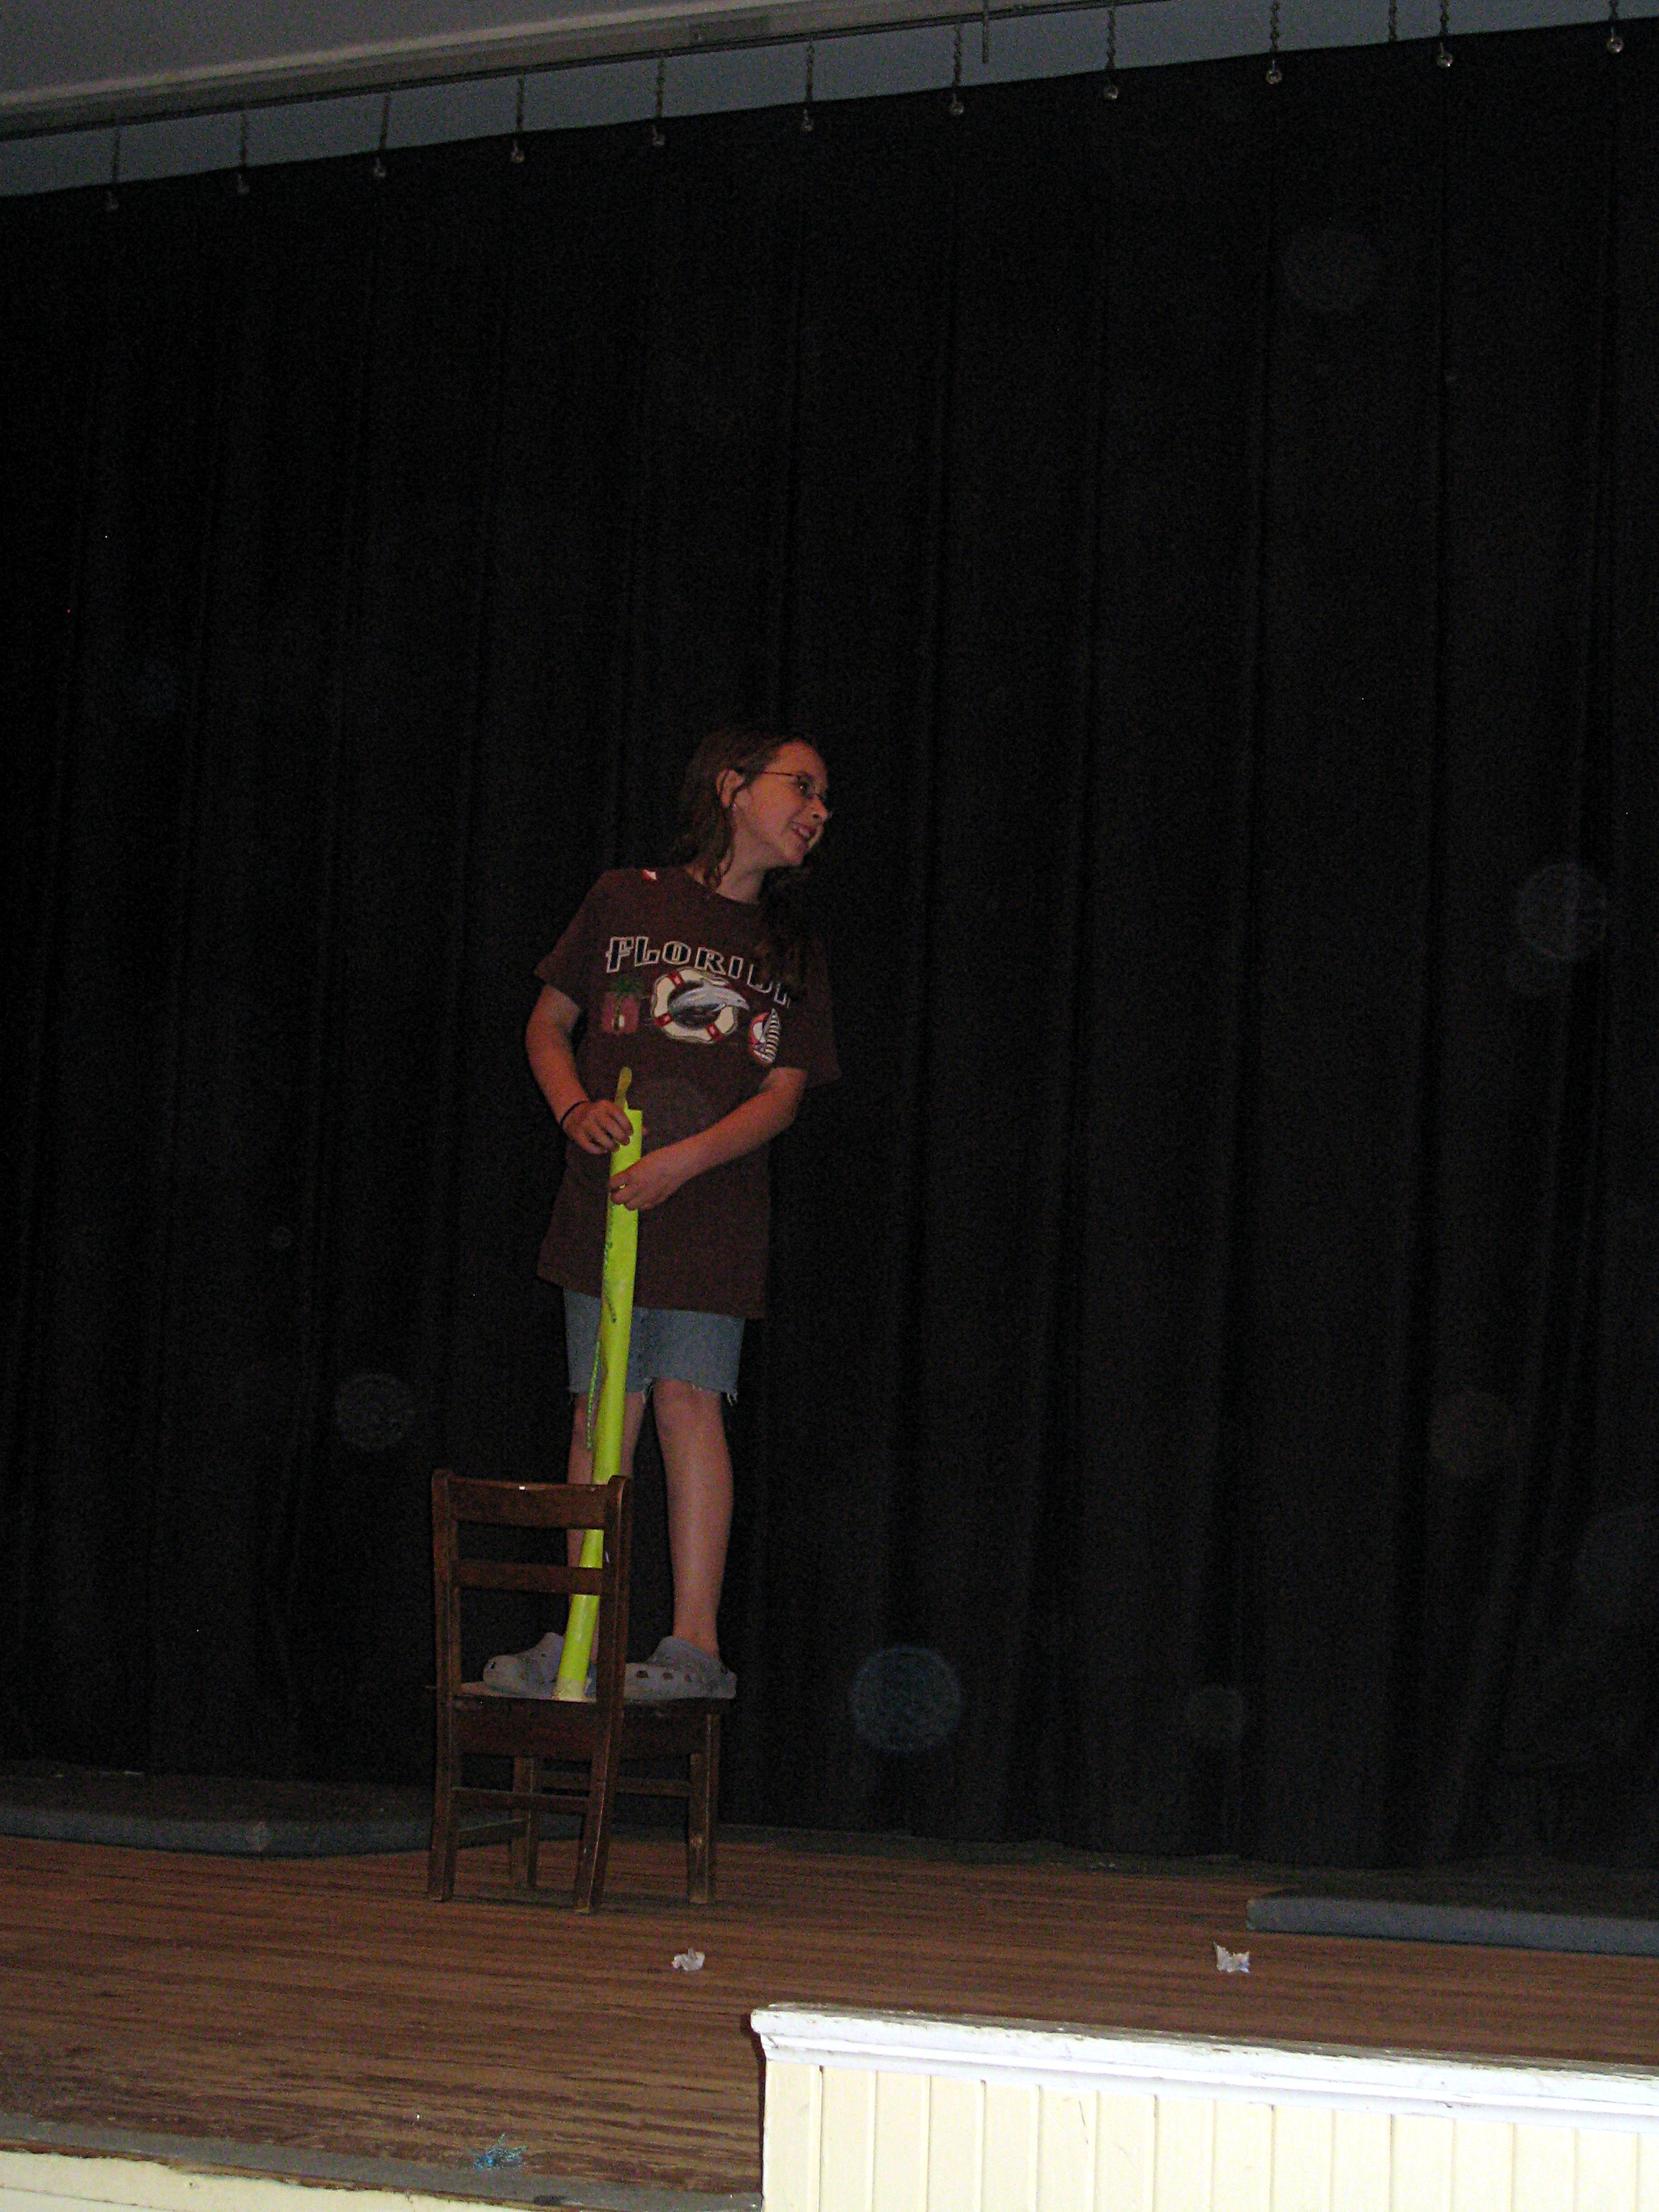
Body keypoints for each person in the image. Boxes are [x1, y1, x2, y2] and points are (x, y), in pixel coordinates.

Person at [485, 729, 838, 1701]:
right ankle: (581, 1632)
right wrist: (575, 1110)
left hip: (711, 1209)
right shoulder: (625, 898)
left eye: (825, 799)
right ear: (733, 788)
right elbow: (549, 1024)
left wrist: (684, 1161)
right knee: (603, 1407)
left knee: (688, 1402)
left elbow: (782, 1094)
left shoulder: (789, 947)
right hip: (608, 1203)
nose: (818, 812)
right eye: (802, 787)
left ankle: (693, 1646)